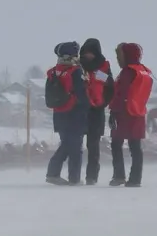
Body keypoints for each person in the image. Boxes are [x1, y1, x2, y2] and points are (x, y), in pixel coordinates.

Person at [109, 42, 153, 187]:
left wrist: (113, 112)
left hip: (123, 112)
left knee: (116, 144)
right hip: (138, 112)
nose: (117, 59)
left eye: (119, 55)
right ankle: (135, 178)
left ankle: (119, 175)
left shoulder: (128, 72)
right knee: (135, 146)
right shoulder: (144, 71)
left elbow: (120, 94)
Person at [45, 43, 86, 186]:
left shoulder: (53, 72)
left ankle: (55, 173)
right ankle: (70, 177)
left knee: (67, 144)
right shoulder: (76, 71)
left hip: (59, 114)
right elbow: (82, 94)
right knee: (74, 147)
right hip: (75, 114)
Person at [78, 39, 116, 185]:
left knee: (93, 146)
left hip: (97, 110)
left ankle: (91, 176)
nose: (88, 56)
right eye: (86, 53)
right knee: (75, 144)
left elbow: (110, 86)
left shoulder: (103, 67)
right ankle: (74, 175)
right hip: (80, 110)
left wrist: (103, 103)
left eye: (91, 53)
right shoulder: (78, 66)